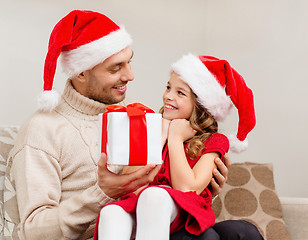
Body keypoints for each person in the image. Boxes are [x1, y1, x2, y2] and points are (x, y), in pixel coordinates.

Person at [10, 9, 260, 240]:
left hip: (154, 219)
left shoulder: (142, 113)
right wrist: (103, 193)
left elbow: (171, 186)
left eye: (129, 62)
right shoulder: (42, 129)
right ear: (81, 72)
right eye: (116, 68)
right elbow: (34, 231)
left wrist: (207, 186)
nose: (130, 75)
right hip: (113, 226)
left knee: (242, 233)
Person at [96, 54, 263, 240]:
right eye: (168, 88)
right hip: (140, 209)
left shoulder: (214, 141)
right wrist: (159, 137)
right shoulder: (151, 127)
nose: (168, 96)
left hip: (181, 214)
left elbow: (187, 189)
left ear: (201, 105)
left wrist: (175, 138)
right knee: (111, 213)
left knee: (154, 195)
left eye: (180, 93)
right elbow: (131, 186)